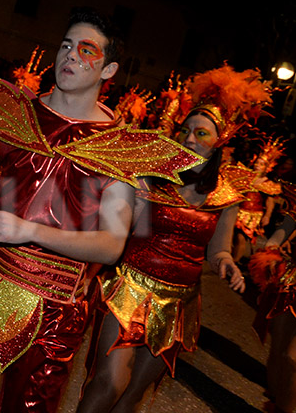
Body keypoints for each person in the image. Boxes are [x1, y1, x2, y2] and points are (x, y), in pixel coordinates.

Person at [0, 9, 198, 413]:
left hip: (58, 306)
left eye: (86, 50)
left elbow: (111, 245)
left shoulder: (122, 149)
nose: (71, 56)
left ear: (108, 69)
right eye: (66, 45)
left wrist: (30, 231)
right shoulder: (16, 112)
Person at [78, 64, 271, 412]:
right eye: (186, 130)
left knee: (134, 394)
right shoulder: (151, 177)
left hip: (179, 303)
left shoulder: (227, 194)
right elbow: (118, 236)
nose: (190, 138)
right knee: (111, 382)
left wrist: (227, 264)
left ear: (220, 141)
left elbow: (219, 250)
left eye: (201, 133)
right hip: (130, 290)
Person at [251, 208, 296, 413]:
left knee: (292, 357)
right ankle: (277, 402)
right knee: (279, 347)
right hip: (292, 285)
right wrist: (273, 247)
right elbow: (283, 230)